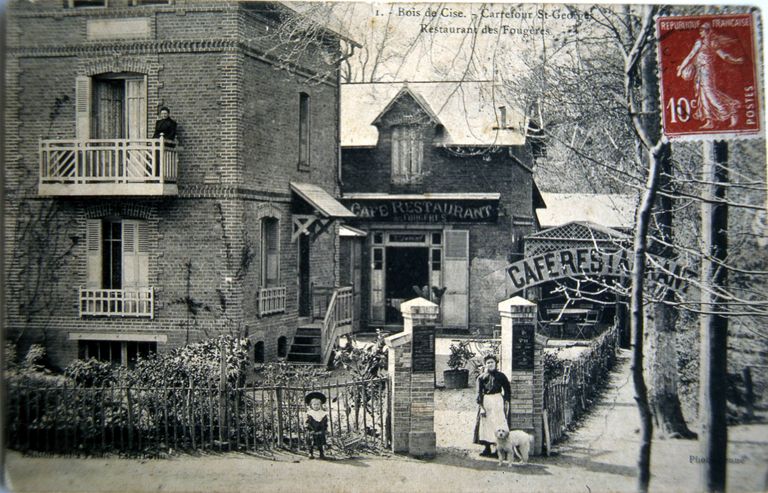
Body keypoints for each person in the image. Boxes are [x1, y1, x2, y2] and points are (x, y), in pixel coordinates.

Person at [676, 23, 744, 129]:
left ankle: (730, 112)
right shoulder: (699, 43)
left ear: (708, 31)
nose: (700, 32)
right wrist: (681, 68)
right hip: (699, 71)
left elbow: (724, 56)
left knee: (710, 93)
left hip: (707, 71)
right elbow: (690, 56)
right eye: (700, 30)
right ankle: (709, 121)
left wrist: (735, 60)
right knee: (703, 95)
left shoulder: (713, 42)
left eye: (702, 30)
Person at [473, 354, 511, 457]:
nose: (490, 364)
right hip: (486, 401)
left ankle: (497, 449)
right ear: (485, 365)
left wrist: (506, 401)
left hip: (498, 400)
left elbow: (507, 389)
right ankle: (487, 448)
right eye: (488, 363)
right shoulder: (481, 377)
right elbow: (478, 393)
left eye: (492, 362)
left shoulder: (501, 376)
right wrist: (481, 407)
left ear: (496, 364)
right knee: (486, 425)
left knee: (498, 424)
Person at [304, 391, 329, 459]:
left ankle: (321, 453)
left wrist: (323, 429)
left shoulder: (323, 413)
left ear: (320, 405)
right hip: (311, 430)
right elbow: (307, 423)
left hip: (320, 430)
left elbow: (325, 423)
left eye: (318, 404)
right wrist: (310, 429)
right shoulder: (309, 414)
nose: (316, 406)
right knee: (311, 442)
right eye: (314, 404)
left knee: (320, 442)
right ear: (311, 405)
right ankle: (310, 453)